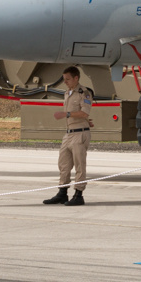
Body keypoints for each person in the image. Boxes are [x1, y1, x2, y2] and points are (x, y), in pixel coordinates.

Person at [43, 67, 94, 205]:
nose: (65, 82)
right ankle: (62, 192)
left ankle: (78, 194)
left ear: (76, 78)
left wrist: (66, 114)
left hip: (79, 134)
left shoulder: (84, 93)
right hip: (69, 133)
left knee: (79, 165)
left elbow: (84, 113)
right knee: (64, 164)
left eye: (68, 79)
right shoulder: (67, 93)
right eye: (64, 79)